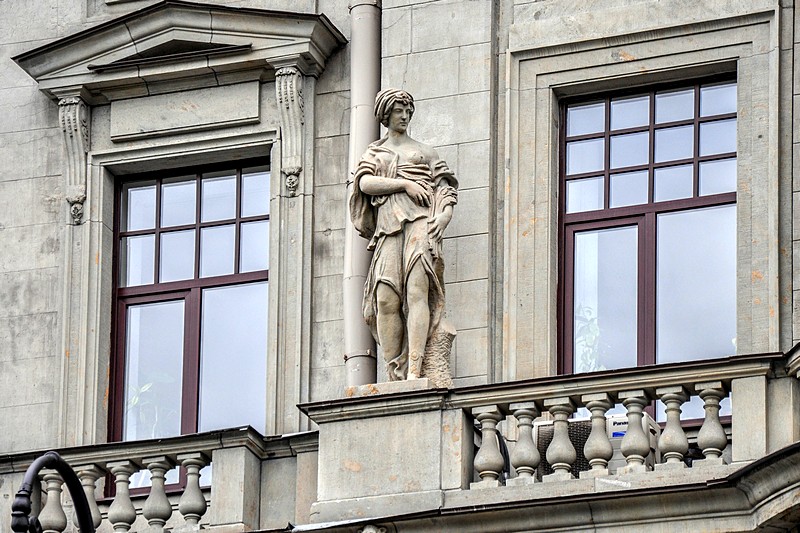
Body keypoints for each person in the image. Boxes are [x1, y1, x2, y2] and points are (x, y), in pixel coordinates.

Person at [350, 89, 458, 382]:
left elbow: (445, 187)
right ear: (386, 114)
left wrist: (445, 214)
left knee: (416, 292)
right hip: (388, 228)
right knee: (385, 299)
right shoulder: (375, 152)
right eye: (399, 110)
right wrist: (403, 185)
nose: (405, 116)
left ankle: (415, 370)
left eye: (408, 111)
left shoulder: (424, 151)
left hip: (421, 223)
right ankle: (394, 373)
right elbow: (366, 183)